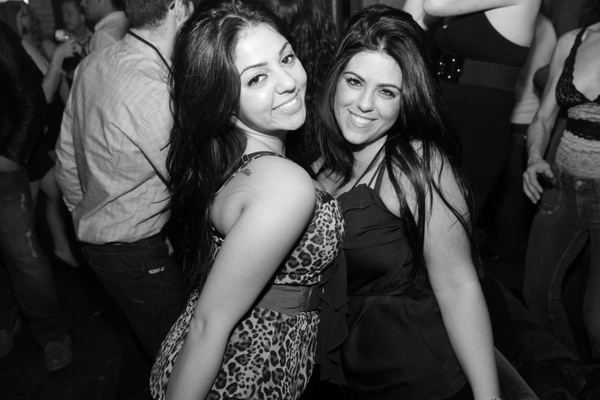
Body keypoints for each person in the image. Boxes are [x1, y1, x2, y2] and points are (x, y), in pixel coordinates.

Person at [149, 1, 345, 399]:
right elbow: (208, 325)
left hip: (199, 355)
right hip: (245, 374)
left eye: (286, 58)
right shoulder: (283, 184)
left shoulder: (226, 155)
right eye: (257, 78)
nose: (288, 82)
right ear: (222, 99)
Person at [312, 5, 499, 399]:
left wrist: (489, 396)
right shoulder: (318, 169)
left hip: (414, 379)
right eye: (354, 81)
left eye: (386, 92)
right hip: (339, 377)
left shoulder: (418, 165)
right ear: (335, 79)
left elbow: (458, 285)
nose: (364, 103)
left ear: (406, 100)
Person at [55, 0, 194, 394]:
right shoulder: (155, 92)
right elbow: (193, 189)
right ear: (178, 7)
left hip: (103, 246)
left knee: (142, 343)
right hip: (134, 253)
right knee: (184, 363)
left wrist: (87, 216)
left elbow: (65, 159)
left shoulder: (93, 63)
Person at [522, 0, 600, 359]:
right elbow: (543, 117)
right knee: (537, 295)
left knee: (596, 322)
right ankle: (572, 376)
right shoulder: (574, 40)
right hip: (560, 187)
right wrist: (534, 157)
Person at [0, 20, 72, 373]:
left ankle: (52, 333)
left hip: (5, 167)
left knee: (24, 255)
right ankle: (5, 321)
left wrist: (12, 155)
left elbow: (30, 94)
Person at [0, 1, 82, 269]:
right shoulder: (17, 47)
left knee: (54, 190)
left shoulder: (25, 44)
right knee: (29, 204)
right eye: (22, 15)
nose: (28, 18)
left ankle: (57, 248)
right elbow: (42, 95)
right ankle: (30, 253)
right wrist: (58, 55)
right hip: (26, 142)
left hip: (34, 137)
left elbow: (53, 83)